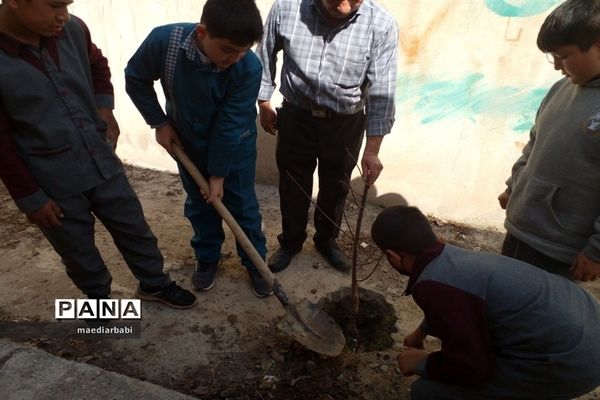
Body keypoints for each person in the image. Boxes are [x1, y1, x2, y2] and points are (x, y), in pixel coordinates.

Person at [0, 0, 196, 308]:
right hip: (52, 181)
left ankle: (155, 284)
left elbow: (97, 64)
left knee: (133, 227)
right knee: (76, 248)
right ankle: (99, 299)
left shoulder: (72, 29)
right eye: (54, 5)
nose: (62, 15)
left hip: (101, 159)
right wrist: (30, 197)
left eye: (67, 4)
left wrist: (105, 108)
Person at [371, 205, 600, 400]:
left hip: (572, 363)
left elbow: (472, 368)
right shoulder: (451, 256)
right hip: (588, 326)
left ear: (393, 256)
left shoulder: (429, 286)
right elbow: (461, 302)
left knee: (427, 391)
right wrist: (421, 332)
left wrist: (423, 363)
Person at [125, 0, 272, 298]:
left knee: (243, 207)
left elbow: (229, 125)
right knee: (200, 204)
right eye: (228, 50)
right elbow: (135, 78)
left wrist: (218, 174)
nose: (234, 58)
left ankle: (256, 264)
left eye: (243, 50)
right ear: (203, 32)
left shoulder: (248, 68)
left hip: (235, 147)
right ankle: (207, 258)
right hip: (187, 143)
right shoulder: (164, 43)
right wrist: (159, 122)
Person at [257, 0, 398, 274]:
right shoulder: (287, 8)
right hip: (296, 115)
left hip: (346, 123)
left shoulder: (381, 24)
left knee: (336, 186)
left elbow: (383, 89)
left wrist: (372, 149)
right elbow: (264, 54)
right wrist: (264, 101)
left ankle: (326, 241)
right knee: (293, 183)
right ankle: (291, 241)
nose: (343, 6)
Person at [497, 0, 600, 282]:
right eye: (551, 56)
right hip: (522, 226)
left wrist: (595, 252)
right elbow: (535, 142)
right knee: (503, 299)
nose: (556, 66)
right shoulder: (560, 88)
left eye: (562, 56)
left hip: (560, 248)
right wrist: (513, 186)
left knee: (531, 319)